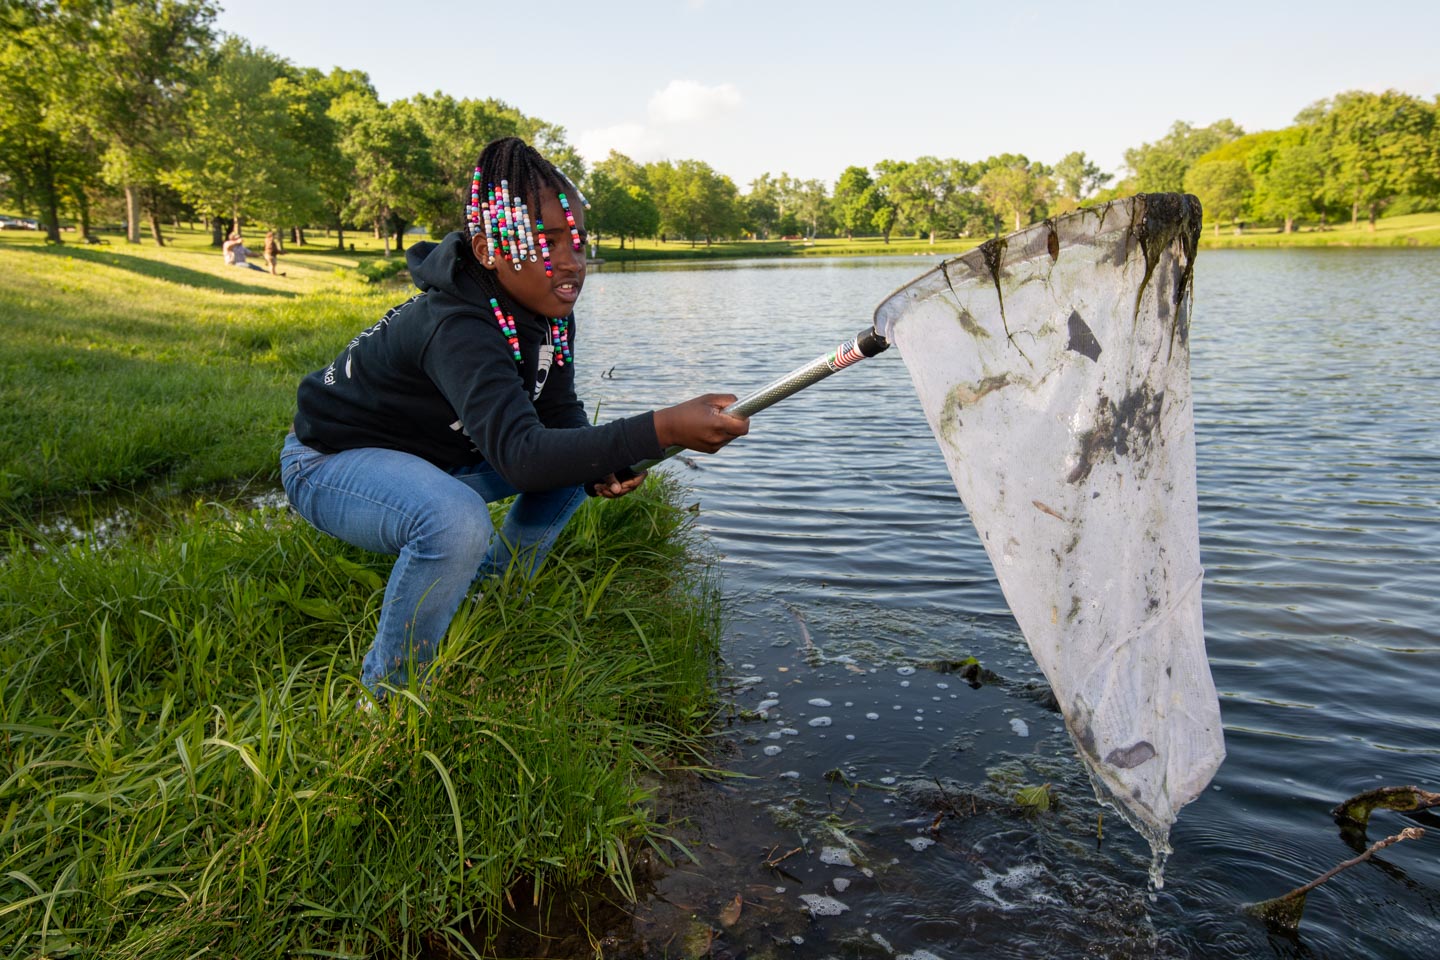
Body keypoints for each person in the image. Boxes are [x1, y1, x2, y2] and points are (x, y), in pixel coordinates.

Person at [280, 137, 748, 699]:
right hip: (332, 465)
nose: (572, 261)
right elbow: (524, 460)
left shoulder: (547, 307)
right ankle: (390, 694)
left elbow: (558, 416)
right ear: (487, 250)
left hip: (438, 456)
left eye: (577, 240)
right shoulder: (455, 324)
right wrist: (663, 428)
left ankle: (490, 594)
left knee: (583, 452)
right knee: (455, 521)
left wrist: (606, 459)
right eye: (545, 242)